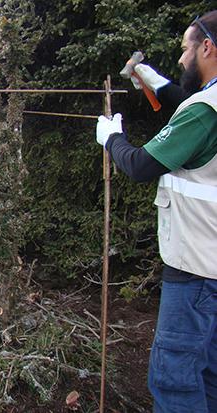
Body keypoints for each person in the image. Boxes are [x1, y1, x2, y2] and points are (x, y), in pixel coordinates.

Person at [96, 11, 217, 412]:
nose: (182, 59)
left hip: (198, 268)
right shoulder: (208, 104)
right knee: (209, 372)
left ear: (207, 47)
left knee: (175, 377)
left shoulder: (205, 111)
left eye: (186, 48)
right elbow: (189, 106)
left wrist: (112, 140)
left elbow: (142, 165)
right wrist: (152, 80)